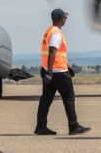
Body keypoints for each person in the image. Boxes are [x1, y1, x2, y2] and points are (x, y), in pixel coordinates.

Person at [34, 8, 91, 136]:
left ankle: (40, 126)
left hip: (51, 71)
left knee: (46, 100)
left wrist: (66, 66)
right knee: (69, 98)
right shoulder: (56, 33)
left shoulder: (49, 31)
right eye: (64, 18)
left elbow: (57, 53)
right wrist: (50, 71)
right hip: (58, 73)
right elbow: (52, 51)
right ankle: (73, 126)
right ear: (60, 19)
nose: (66, 19)